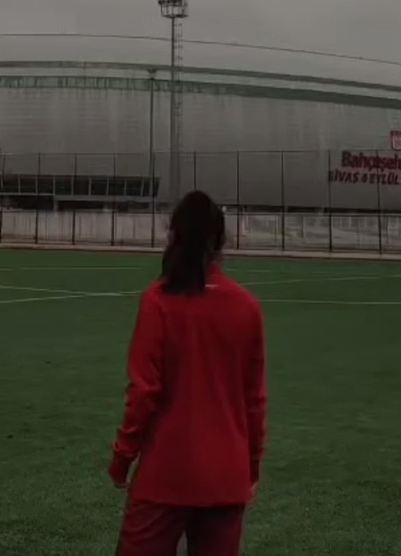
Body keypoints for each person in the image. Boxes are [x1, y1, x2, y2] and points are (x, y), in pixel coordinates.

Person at [108, 190, 267, 556]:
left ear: (173, 236)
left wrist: (122, 458)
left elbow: (144, 393)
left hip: (165, 475)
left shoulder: (159, 301)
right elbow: (254, 401)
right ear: (221, 241)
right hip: (226, 476)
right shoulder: (247, 308)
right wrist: (251, 467)